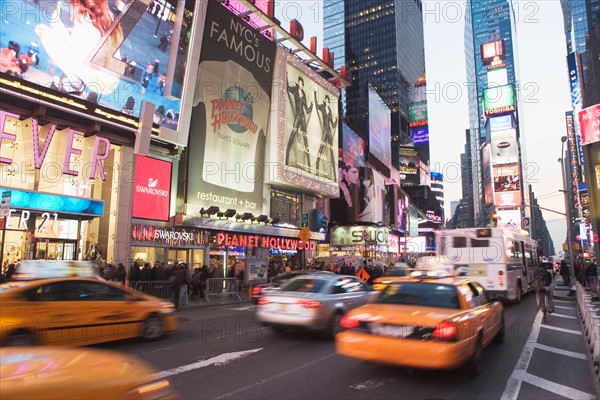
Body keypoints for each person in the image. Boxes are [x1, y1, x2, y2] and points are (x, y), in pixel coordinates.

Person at [35, 0, 122, 96]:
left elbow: (78, 53)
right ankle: (76, 80)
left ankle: (75, 83)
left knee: (47, 35)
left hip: (100, 83)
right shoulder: (104, 15)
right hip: (111, 78)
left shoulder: (87, 24)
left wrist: (58, 28)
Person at [285, 73, 313, 170]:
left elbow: (307, 110)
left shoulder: (304, 95)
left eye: (301, 84)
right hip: (298, 116)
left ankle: (309, 165)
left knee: (305, 140)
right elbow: (287, 88)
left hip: (303, 118)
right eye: (299, 83)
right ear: (298, 84)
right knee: (292, 136)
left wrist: (312, 106)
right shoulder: (295, 90)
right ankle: (286, 160)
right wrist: (286, 75)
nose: (300, 85)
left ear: (303, 85)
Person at [314, 93, 338, 180]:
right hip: (325, 131)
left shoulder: (330, 111)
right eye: (326, 102)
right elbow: (316, 106)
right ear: (325, 102)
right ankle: (316, 166)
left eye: (328, 102)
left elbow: (333, 125)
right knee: (321, 148)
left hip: (329, 132)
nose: (327, 103)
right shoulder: (323, 107)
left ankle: (335, 176)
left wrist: (336, 120)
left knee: (331, 152)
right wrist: (315, 95)